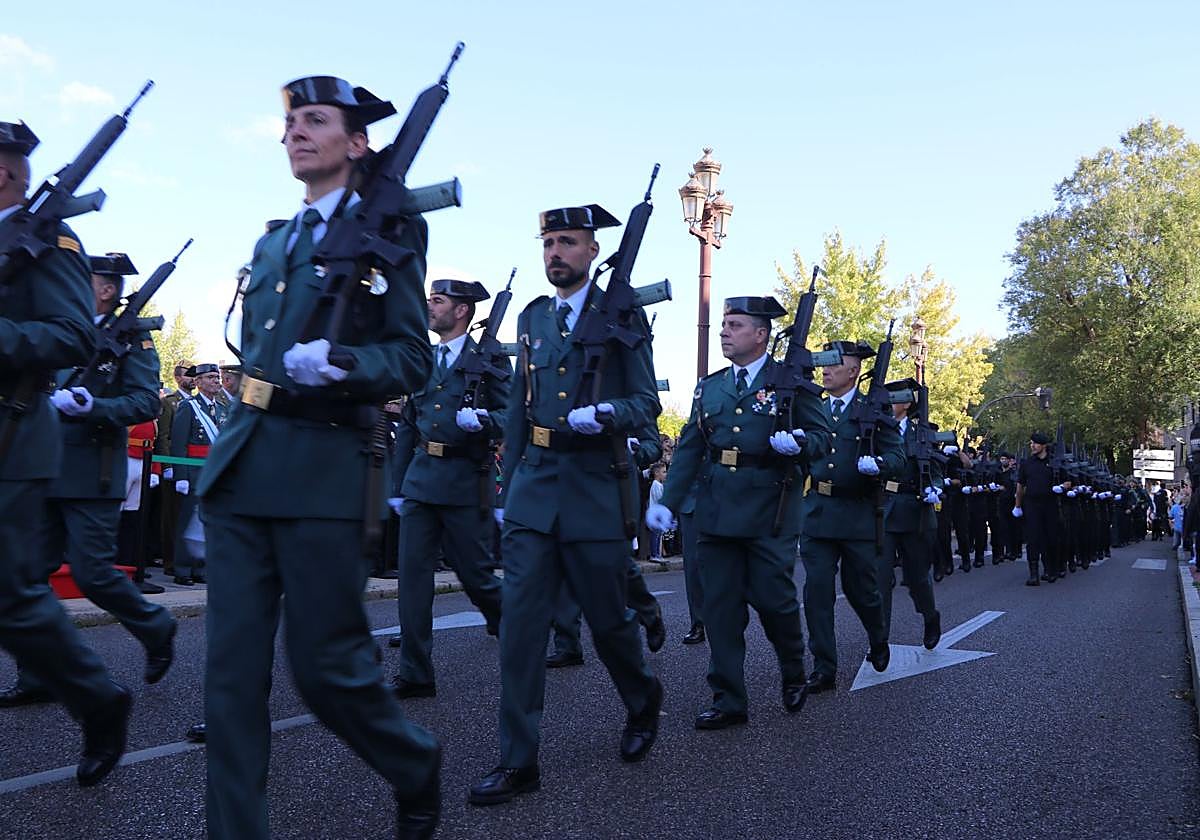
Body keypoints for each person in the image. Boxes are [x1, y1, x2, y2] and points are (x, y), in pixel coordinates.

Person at [194, 76, 441, 839]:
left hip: (323, 471)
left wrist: (343, 367)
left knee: (326, 669)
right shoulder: (276, 240)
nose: (295, 131)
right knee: (230, 680)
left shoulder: (392, 232)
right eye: (291, 120)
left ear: (357, 142)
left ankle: (411, 764)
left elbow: (409, 358)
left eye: (316, 120)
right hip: (243, 469)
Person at [469, 203, 662, 806]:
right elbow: (520, 411)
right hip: (535, 489)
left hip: (592, 487)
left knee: (608, 621)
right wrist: (507, 491)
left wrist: (608, 413)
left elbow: (646, 403)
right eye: (548, 242)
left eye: (568, 242)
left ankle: (642, 700)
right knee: (522, 629)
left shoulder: (622, 317)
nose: (555, 252)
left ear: (593, 252)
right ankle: (517, 760)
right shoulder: (532, 319)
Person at [0, 120, 130, 785]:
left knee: (12, 596)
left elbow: (74, 336)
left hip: (13, 439)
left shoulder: (49, 239)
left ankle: (98, 699)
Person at [0, 252, 176, 707]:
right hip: (41, 462)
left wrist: (93, 407)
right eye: (99, 279)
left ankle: (155, 626)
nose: (105, 288)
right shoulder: (61, 323)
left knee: (93, 573)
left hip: (91, 469)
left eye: (110, 283)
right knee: (27, 573)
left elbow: (144, 403)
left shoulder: (132, 335)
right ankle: (36, 675)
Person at [649, 295, 831, 728]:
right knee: (721, 608)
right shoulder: (710, 387)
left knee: (775, 602)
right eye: (724, 324)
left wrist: (801, 441)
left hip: (771, 508)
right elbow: (692, 449)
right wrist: (669, 503)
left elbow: (824, 439)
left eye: (734, 325)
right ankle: (729, 697)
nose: (725, 332)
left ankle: (793, 670)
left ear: (761, 334)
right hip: (716, 509)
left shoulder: (791, 383)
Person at [388, 277, 506, 698]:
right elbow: (407, 424)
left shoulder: (490, 358)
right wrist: (398, 484)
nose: (429, 307)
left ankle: (506, 620)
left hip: (463, 480)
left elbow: (512, 414)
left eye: (437, 301)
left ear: (461, 311)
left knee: (475, 575)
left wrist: (487, 421)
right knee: (413, 579)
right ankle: (416, 673)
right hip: (421, 478)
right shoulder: (424, 357)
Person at [801, 340, 904, 693]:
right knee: (816, 590)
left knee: (862, 591)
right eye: (824, 364)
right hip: (817, 512)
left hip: (858, 513)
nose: (825, 370)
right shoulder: (811, 406)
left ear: (854, 370)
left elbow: (899, 458)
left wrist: (880, 464)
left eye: (834, 363)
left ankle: (878, 637)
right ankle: (823, 666)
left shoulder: (874, 410)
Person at [877, 378, 942, 649]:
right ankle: (878, 640)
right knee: (880, 579)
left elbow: (936, 473)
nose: (887, 404)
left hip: (914, 511)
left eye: (893, 398)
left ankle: (930, 616)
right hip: (882, 508)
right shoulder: (877, 430)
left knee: (917, 579)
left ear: (905, 403)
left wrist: (934, 489)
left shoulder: (921, 433)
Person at [170, 363, 227, 585]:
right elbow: (179, 444)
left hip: (212, 473)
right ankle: (182, 569)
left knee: (206, 522)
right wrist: (181, 475)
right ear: (199, 382)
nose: (216, 381)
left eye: (217, 377)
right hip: (193, 472)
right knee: (187, 522)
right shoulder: (189, 407)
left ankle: (200, 567)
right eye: (211, 377)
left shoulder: (222, 408)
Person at [155, 359, 193, 577]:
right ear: (178, 378)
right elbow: (164, 436)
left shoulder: (201, 402)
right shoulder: (170, 402)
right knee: (171, 516)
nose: (192, 378)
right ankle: (170, 560)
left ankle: (189, 560)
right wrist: (168, 465)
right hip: (175, 466)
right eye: (188, 374)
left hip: (192, 468)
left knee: (188, 515)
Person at [1013, 432, 1057, 586]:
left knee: (1049, 538)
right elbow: (1020, 486)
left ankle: (1049, 570)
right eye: (1031, 443)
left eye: (1035, 443)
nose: (1032, 446)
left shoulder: (1054, 462)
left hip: (1050, 504)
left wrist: (1063, 487)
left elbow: (1067, 481)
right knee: (1033, 539)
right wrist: (1017, 505)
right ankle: (1033, 574)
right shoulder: (1026, 463)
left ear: (1043, 445)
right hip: (1031, 504)